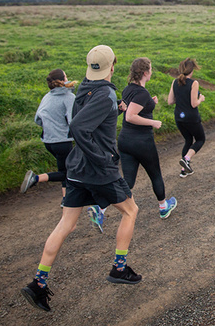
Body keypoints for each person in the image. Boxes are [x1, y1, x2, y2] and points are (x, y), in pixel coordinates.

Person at [21, 45, 141, 313]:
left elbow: (89, 120)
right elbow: (77, 127)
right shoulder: (105, 94)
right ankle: (119, 269)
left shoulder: (85, 88)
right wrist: (101, 160)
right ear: (113, 66)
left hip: (75, 169)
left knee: (66, 224)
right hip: (97, 169)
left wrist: (116, 111)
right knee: (131, 211)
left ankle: (38, 284)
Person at [118, 57, 177, 219]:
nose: (151, 72)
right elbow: (130, 115)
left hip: (125, 140)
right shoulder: (142, 93)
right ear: (145, 72)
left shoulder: (128, 89)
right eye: (150, 69)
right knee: (155, 174)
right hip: (142, 142)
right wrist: (153, 122)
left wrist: (150, 103)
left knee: (128, 181)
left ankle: (100, 208)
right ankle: (164, 207)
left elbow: (130, 107)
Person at [20, 69, 76, 207]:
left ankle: (65, 200)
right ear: (63, 80)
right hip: (62, 141)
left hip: (48, 141)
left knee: (64, 170)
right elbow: (72, 121)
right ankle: (36, 178)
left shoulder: (47, 97)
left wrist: (51, 127)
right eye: (66, 75)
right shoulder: (69, 97)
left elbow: (37, 119)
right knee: (71, 171)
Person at [167, 58, 206, 178]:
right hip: (192, 118)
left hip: (179, 118)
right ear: (192, 70)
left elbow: (170, 101)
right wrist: (201, 99)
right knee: (200, 139)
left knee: (188, 140)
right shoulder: (194, 83)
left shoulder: (175, 82)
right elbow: (194, 103)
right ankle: (187, 159)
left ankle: (184, 170)